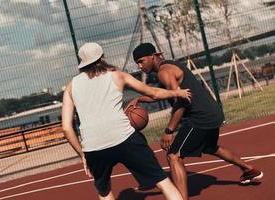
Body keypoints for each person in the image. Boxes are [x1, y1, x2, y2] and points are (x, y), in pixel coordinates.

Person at [129, 43, 263, 200]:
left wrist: (169, 131)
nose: (139, 66)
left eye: (141, 61)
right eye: (137, 63)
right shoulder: (169, 66)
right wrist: (139, 99)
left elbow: (181, 101)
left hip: (200, 118)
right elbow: (162, 93)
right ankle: (249, 170)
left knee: (173, 156)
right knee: (211, 147)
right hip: (212, 112)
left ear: (152, 56)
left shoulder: (164, 72)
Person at [62, 42, 193, 200]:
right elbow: (154, 93)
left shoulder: (71, 86)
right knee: (163, 181)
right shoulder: (117, 75)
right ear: (102, 57)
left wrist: (83, 155)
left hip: (93, 146)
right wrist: (177, 93)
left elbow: (66, 128)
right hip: (125, 138)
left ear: (82, 63)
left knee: (104, 193)